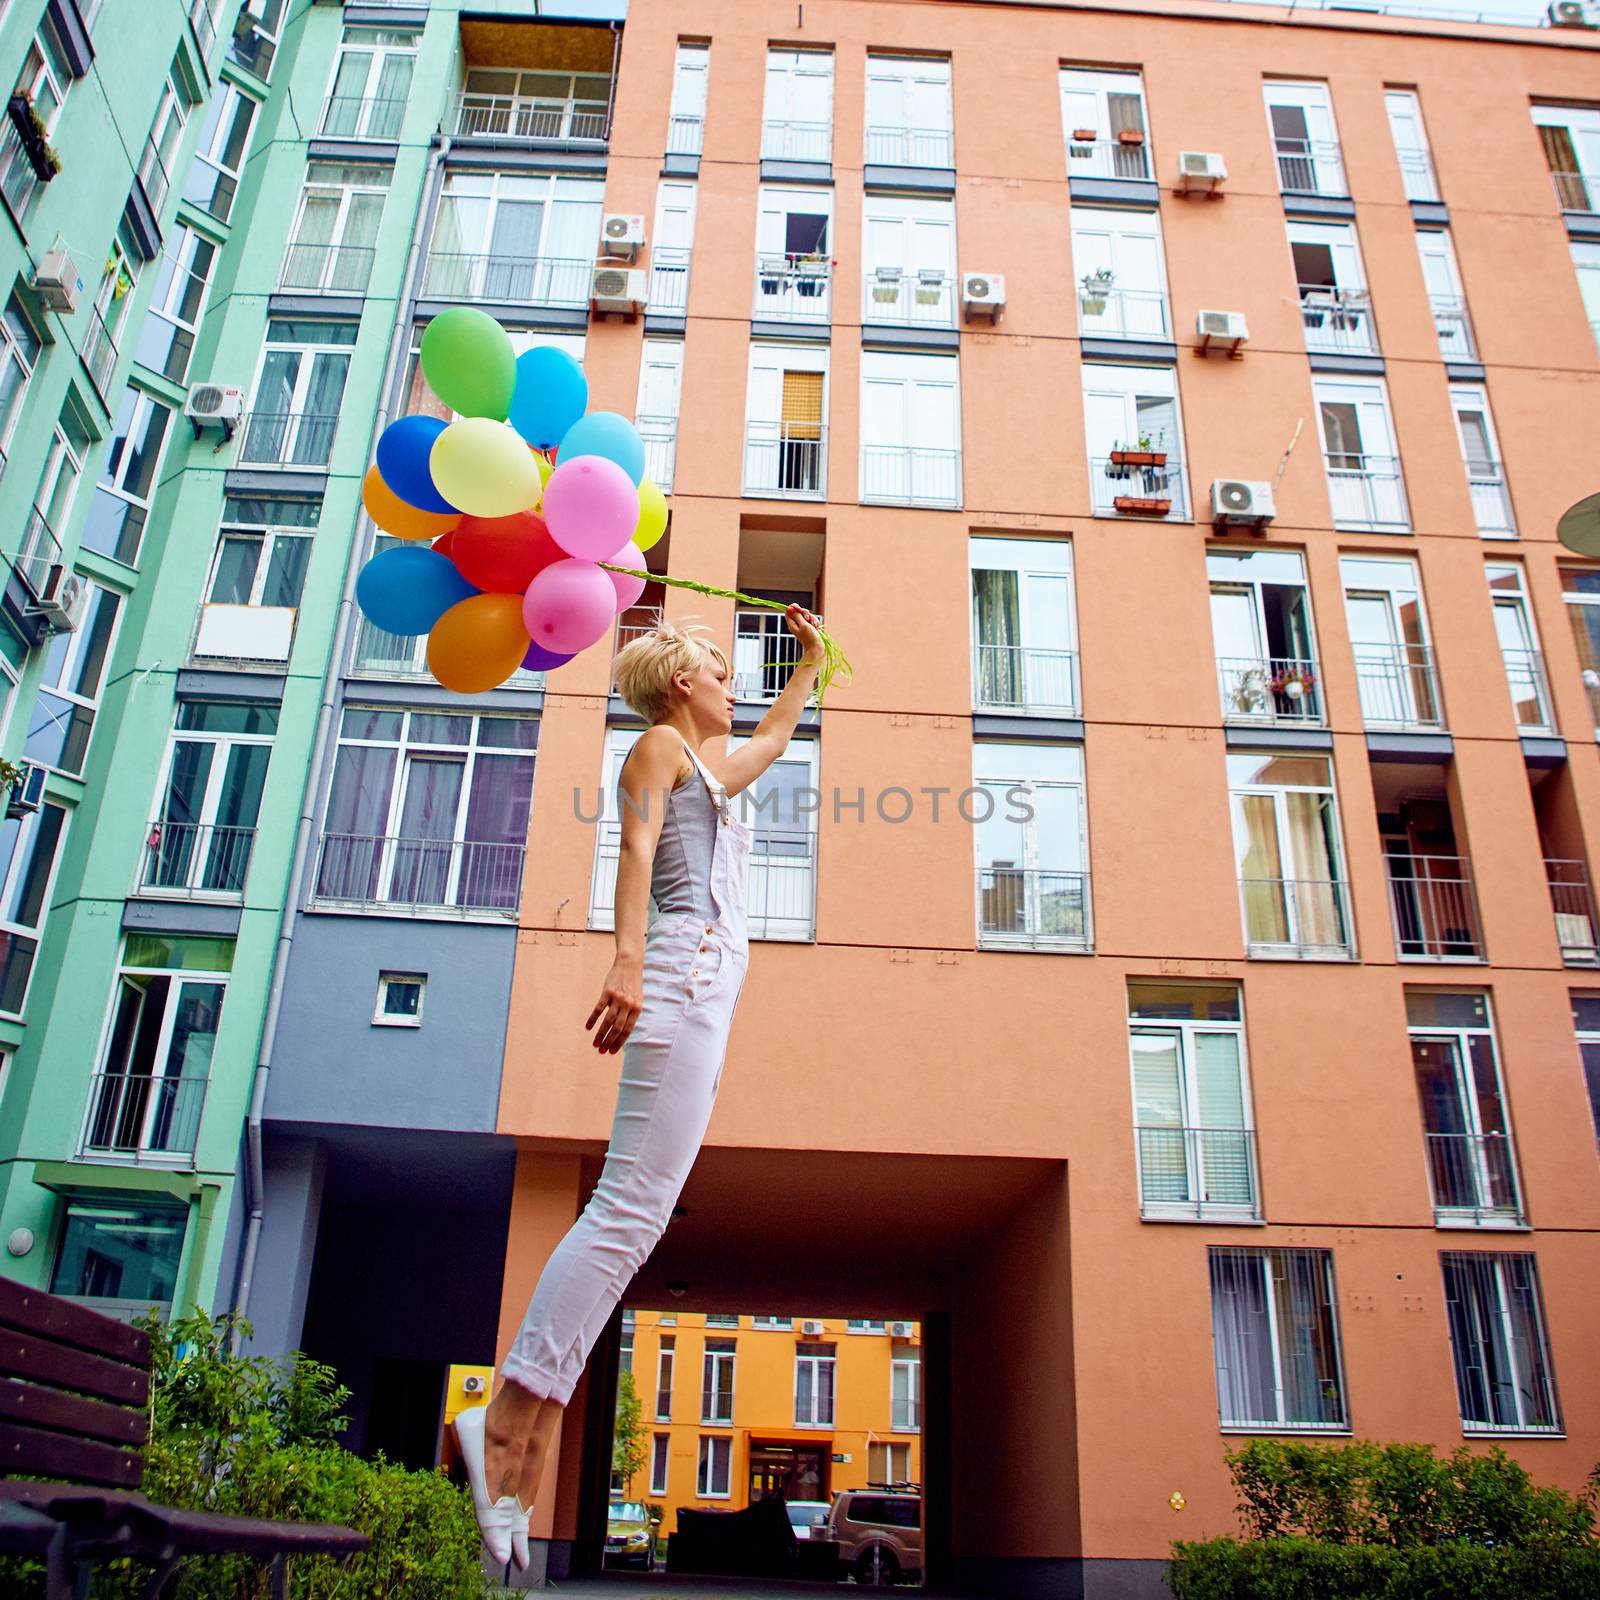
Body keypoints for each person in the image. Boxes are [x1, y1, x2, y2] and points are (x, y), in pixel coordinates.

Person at [454, 604, 827, 1568]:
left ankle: (530, 1421)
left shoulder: (714, 767)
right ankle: (505, 1417)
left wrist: (809, 663)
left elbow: (777, 737)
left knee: (640, 1212)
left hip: (708, 985)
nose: (729, 680)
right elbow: (633, 851)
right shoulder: (658, 747)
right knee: (627, 1205)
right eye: (716, 666)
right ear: (677, 686)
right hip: (678, 969)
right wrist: (624, 958)